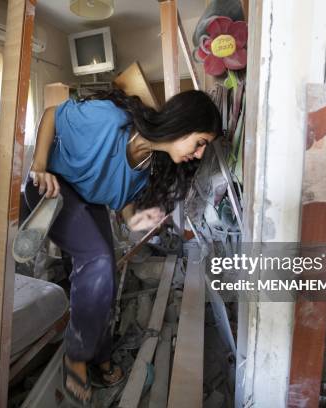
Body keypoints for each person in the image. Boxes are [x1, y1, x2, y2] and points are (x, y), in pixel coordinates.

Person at [24, 88, 222, 405]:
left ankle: (99, 353)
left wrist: (138, 221)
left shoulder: (150, 166)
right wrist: (39, 166)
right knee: (98, 260)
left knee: (107, 274)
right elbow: (51, 114)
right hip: (54, 188)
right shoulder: (111, 119)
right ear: (183, 123)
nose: (199, 154)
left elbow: (125, 206)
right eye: (200, 142)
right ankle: (75, 355)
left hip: (88, 203)